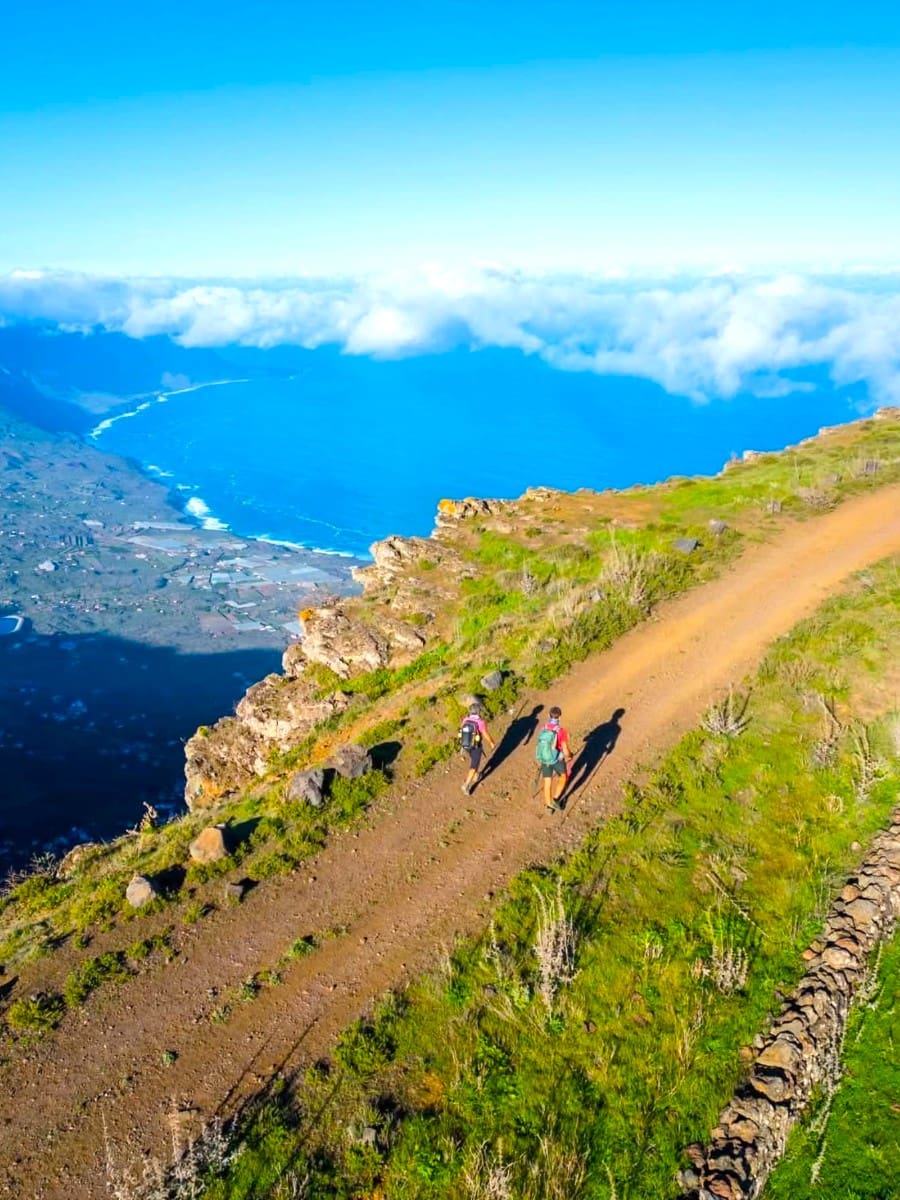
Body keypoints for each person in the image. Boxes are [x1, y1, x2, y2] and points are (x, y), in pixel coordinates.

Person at [535, 705, 573, 812]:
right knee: (563, 777)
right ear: (560, 717)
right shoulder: (561, 731)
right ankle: (555, 799)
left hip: (544, 758)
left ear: (548, 715)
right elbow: (565, 750)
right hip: (557, 759)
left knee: (547, 782)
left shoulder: (543, 728)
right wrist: (569, 756)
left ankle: (549, 806)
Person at [459, 702, 496, 795]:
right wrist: (491, 742)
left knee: (474, 760)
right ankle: (466, 785)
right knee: (474, 766)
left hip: (466, 745)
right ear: (478, 711)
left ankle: (476, 775)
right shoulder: (480, 722)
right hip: (476, 747)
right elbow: (485, 734)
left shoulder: (465, 719)